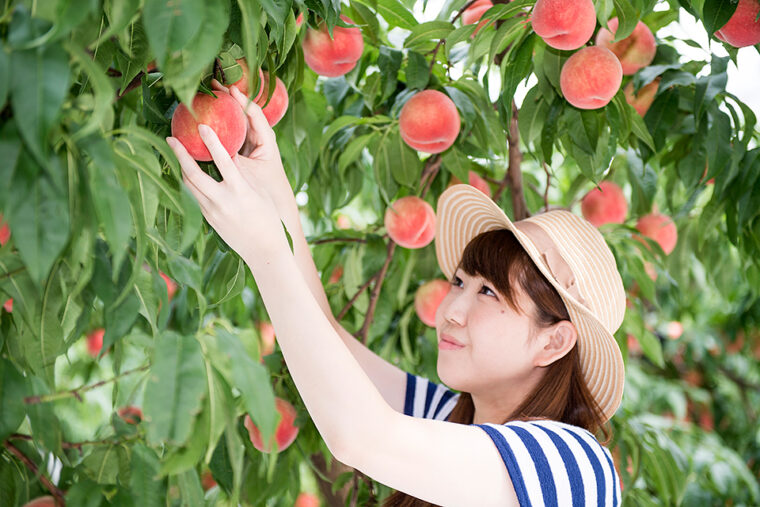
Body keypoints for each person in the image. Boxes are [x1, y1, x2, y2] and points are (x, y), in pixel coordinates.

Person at [166, 84, 625, 506]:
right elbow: (326, 339)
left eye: (489, 293)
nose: (450, 312)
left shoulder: (573, 466)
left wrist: (266, 252)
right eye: (459, 283)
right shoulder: (447, 417)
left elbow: (361, 437)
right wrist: (274, 187)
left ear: (553, 341)